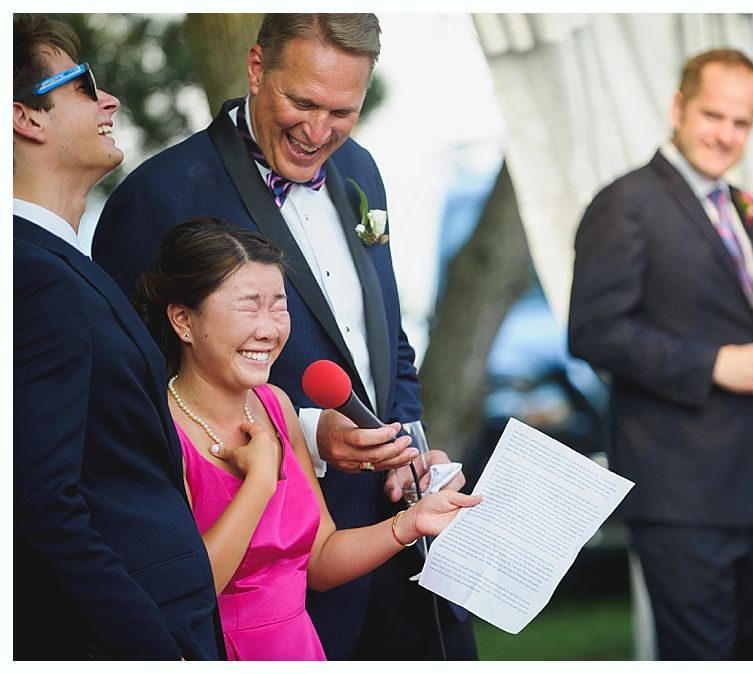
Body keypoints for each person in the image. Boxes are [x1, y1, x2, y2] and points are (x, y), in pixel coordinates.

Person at [92, 13, 478, 660]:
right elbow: (136, 397)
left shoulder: (361, 172)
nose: (318, 131)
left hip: (398, 537)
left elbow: (383, 335)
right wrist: (304, 433)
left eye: (342, 111)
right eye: (301, 101)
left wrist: (408, 443)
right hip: (270, 568)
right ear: (255, 68)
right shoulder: (160, 197)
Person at [131, 218, 481, 660]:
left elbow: (319, 559)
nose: (269, 329)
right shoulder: (157, 426)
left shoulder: (275, 405)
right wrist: (259, 480)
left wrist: (409, 525)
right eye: (247, 306)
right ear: (183, 319)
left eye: (279, 306)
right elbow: (187, 593)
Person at [568, 49, 753, 660]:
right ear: (678, 107)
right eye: (712, 115)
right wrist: (714, 363)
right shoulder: (626, 202)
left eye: (740, 122)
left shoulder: (744, 208)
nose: (725, 134)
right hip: (682, 493)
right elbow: (593, 331)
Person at [12, 14, 222, 659]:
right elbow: (40, 504)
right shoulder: (34, 277)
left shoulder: (53, 262)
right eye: (84, 86)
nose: (110, 100)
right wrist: (152, 649)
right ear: (27, 118)